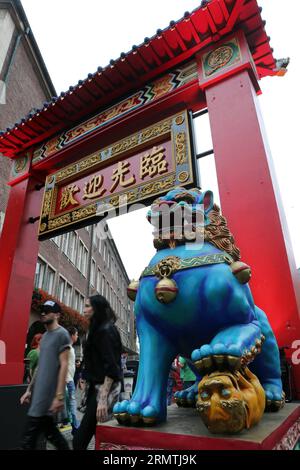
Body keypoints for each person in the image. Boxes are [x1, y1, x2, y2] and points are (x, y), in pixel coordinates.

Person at [73, 295, 122, 450]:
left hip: (103, 389)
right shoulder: (97, 329)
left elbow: (111, 367)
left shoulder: (106, 330)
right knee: (99, 434)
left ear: (97, 309)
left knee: (80, 440)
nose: (84, 309)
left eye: (87, 306)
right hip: (95, 387)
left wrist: (102, 398)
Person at [20, 300, 71, 450]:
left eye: (47, 310)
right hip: (39, 396)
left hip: (47, 398)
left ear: (57, 315)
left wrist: (59, 397)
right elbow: (39, 367)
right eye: (42, 310)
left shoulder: (62, 334)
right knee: (53, 436)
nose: (43, 313)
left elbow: (64, 366)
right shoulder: (45, 337)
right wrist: (29, 390)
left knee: (27, 442)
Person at [66, 326, 80, 435]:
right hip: (68, 381)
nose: (77, 336)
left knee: (70, 405)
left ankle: (75, 427)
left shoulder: (70, 347)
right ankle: (76, 428)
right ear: (72, 335)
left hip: (69, 379)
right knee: (72, 405)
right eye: (76, 334)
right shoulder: (67, 347)